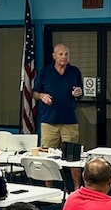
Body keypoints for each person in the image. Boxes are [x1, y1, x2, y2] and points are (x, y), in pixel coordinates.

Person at [33, 43, 85, 187]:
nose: (64, 57)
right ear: (54, 56)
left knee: (74, 157)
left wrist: (79, 93)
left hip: (69, 120)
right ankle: (49, 189)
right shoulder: (44, 72)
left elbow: (80, 92)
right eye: (61, 54)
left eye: (66, 54)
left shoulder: (74, 71)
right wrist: (42, 96)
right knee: (47, 156)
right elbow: (35, 93)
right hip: (49, 121)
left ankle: (76, 189)